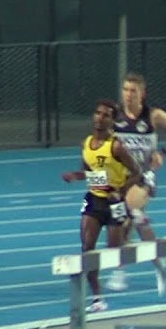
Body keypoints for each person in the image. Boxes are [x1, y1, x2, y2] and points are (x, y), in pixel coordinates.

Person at [60, 100, 143, 313]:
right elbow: (89, 172)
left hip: (114, 203)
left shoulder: (116, 146)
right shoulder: (86, 144)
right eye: (97, 113)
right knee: (87, 249)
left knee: (113, 251)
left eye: (106, 115)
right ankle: (98, 298)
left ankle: (131, 225)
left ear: (112, 121)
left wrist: (121, 191)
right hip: (94, 200)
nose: (99, 118)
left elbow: (137, 173)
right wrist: (75, 175)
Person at [108, 72, 166, 297]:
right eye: (125, 90)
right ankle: (159, 261)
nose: (128, 95)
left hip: (144, 177)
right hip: (120, 178)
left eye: (133, 91)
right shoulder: (115, 116)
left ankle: (119, 270)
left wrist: (163, 152)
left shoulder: (153, 115)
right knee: (127, 224)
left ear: (142, 93)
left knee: (126, 212)